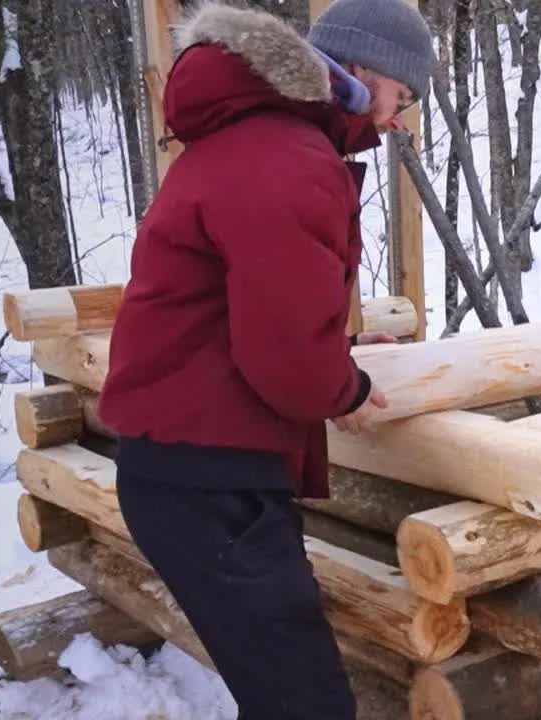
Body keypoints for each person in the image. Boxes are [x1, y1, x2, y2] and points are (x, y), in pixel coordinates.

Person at [96, 1, 434, 717]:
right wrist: (343, 388)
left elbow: (242, 314)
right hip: (211, 489)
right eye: (401, 98)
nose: (398, 120)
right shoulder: (290, 157)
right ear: (365, 70)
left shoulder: (258, 142)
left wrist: (333, 351)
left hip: (193, 473)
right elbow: (283, 361)